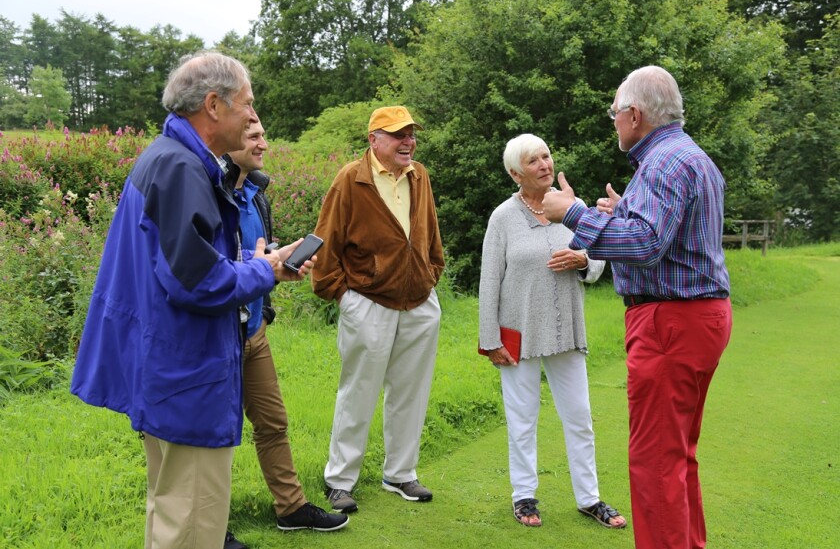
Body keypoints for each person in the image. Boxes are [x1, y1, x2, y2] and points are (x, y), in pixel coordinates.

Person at [70, 51, 314, 549]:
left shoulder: (165, 157)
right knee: (192, 526)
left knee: (170, 511)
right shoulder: (182, 169)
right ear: (213, 105)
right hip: (188, 375)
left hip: (167, 369)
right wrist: (264, 270)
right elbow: (197, 284)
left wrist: (258, 266)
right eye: (246, 104)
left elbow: (182, 264)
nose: (253, 116)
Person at [542, 65, 733, 549]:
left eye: (614, 113)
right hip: (698, 316)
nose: (613, 122)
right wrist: (623, 211)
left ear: (634, 114)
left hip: (670, 319)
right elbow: (671, 234)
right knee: (678, 454)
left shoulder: (664, 162)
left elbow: (647, 245)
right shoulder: (692, 158)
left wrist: (574, 214)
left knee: (655, 460)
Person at [478, 134, 627, 529]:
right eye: (533, 161)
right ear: (515, 173)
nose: (544, 164)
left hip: (566, 329)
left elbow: (597, 262)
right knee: (522, 418)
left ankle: (589, 498)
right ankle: (524, 496)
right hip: (518, 332)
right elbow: (489, 280)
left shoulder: (572, 206)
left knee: (579, 416)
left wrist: (582, 259)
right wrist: (488, 339)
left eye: (546, 156)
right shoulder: (503, 217)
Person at [311, 105, 445, 513]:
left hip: (420, 301)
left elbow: (431, 234)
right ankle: (339, 480)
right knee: (359, 392)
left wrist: (432, 272)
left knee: (411, 392)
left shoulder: (419, 176)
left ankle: (400, 474)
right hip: (367, 303)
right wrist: (341, 295)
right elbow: (326, 241)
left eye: (411, 134)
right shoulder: (351, 180)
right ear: (374, 140)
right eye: (398, 134)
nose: (408, 141)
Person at [223, 120, 349, 533]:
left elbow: (257, 253)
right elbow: (206, 266)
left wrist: (278, 259)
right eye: (253, 136)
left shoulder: (256, 194)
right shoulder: (211, 192)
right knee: (213, 432)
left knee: (273, 422)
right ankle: (209, 526)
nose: (264, 142)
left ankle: (291, 508)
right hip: (216, 334)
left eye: (263, 133)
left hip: (253, 329)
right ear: (224, 136)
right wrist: (260, 264)